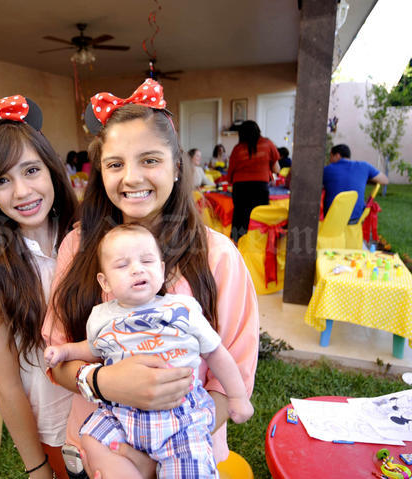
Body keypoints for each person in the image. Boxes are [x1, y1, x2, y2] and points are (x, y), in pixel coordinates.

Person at [43, 79, 259, 479]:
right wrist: (104, 382)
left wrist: (165, 442)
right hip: (101, 451)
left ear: (177, 167)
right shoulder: (77, 246)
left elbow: (234, 377)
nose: (131, 178)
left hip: (187, 452)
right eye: (115, 164)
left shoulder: (218, 257)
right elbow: (56, 358)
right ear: (101, 172)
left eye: (150, 160)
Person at [44, 224, 253, 477]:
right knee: (93, 438)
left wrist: (238, 397)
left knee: (191, 464)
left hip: (180, 416)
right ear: (105, 282)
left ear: (162, 269)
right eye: (122, 265)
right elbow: (92, 347)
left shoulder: (182, 309)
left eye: (147, 260)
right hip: (120, 413)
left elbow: (217, 354)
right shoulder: (102, 316)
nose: (137, 269)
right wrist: (65, 352)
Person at [0, 94, 78, 479]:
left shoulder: (84, 235)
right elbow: (7, 386)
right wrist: (37, 467)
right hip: (59, 431)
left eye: (30, 171)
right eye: (2, 180)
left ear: (51, 169)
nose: (22, 192)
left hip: (116, 411)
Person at [226, 120, 280, 243]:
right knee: (259, 217)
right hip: (260, 187)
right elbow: (277, 168)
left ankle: (238, 248)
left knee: (239, 218)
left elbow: (230, 175)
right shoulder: (267, 144)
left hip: (240, 188)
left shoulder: (237, 149)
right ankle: (258, 246)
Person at [323, 144, 389, 223]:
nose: (330, 160)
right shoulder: (364, 166)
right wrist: (364, 180)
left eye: (331, 156)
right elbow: (385, 180)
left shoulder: (326, 170)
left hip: (332, 221)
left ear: (337, 155)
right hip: (356, 220)